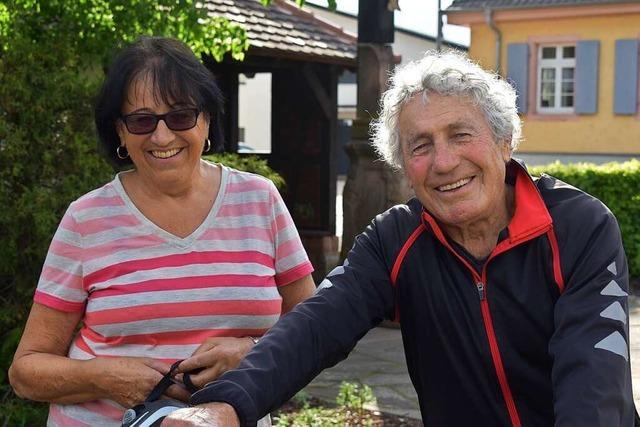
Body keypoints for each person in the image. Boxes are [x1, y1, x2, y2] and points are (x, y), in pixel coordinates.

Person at [162, 50, 636, 427]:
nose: (444, 162)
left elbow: (593, 379)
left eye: (460, 134)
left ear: (504, 140)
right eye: (421, 146)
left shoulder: (578, 225)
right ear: (404, 166)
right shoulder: (395, 238)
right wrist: (222, 407)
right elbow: (315, 326)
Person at [8, 36, 315, 426]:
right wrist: (107, 376)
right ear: (120, 132)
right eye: (141, 120)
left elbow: (312, 330)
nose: (162, 136)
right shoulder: (86, 220)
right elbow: (26, 372)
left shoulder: (260, 201)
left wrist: (251, 352)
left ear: (206, 120)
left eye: (180, 116)